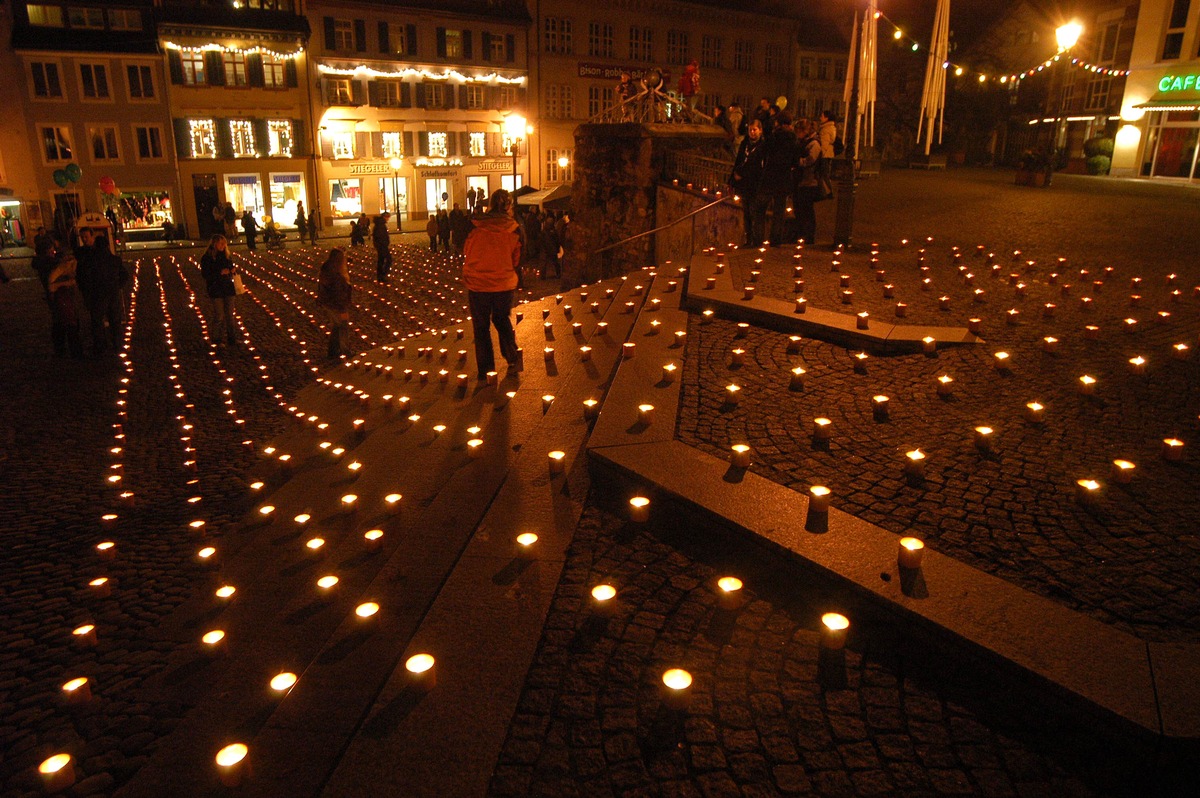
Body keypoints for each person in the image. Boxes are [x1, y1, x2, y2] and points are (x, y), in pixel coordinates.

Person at [463, 189, 522, 380]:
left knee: (481, 327)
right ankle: (512, 356)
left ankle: (486, 370)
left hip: (478, 284)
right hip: (503, 284)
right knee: (501, 318)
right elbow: (517, 258)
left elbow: (466, 250)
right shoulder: (514, 230)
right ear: (507, 207)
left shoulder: (476, 227)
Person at [75, 228, 127, 356]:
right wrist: (117, 286)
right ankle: (117, 344)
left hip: (97, 295)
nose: (84, 240)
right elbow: (125, 275)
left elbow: (83, 277)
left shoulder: (91, 261)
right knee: (114, 320)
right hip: (111, 294)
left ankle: (101, 346)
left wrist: (85, 292)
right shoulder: (114, 259)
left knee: (98, 321)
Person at [729, 119, 767, 247]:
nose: (752, 132)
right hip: (744, 185)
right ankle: (748, 238)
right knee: (746, 213)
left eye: (755, 130)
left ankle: (757, 240)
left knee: (755, 213)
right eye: (750, 130)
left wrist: (742, 173)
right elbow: (739, 161)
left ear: (760, 131)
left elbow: (755, 165)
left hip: (755, 184)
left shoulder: (763, 147)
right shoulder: (744, 144)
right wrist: (732, 180)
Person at [761, 112, 797, 246]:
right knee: (779, 209)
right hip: (784, 176)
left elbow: (765, 151)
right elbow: (794, 158)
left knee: (762, 205)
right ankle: (776, 239)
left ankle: (759, 237)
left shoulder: (774, 136)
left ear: (778, 123)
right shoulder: (792, 138)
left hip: (771, 174)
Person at [200, 234, 239, 347]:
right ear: (214, 244)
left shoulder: (226, 255)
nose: (224, 245)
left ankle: (232, 339)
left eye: (224, 243)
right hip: (216, 289)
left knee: (230, 315)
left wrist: (232, 270)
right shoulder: (207, 258)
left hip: (228, 288)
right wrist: (220, 273)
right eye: (221, 243)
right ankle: (216, 339)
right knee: (219, 315)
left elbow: (230, 266)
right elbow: (206, 274)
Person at [316, 247, 352, 360]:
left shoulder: (327, 270)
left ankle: (333, 350)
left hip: (330, 304)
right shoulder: (335, 275)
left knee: (337, 326)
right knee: (343, 326)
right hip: (338, 306)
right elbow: (338, 293)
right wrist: (342, 308)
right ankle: (344, 350)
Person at [47, 253, 84, 359]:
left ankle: (62, 350)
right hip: (63, 301)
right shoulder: (60, 270)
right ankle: (74, 352)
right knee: (69, 324)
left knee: (63, 324)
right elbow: (51, 285)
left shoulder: (70, 267)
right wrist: (66, 283)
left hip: (67, 301)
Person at [792, 119, 823, 246]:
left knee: (807, 210)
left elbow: (810, 160)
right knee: (799, 209)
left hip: (809, 181)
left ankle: (809, 235)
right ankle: (801, 234)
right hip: (801, 180)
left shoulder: (814, 143)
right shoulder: (803, 142)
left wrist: (798, 162)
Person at [817, 110, 838, 199]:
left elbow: (824, 144)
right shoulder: (831, 127)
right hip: (828, 154)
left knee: (823, 174)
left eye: (822, 116)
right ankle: (826, 192)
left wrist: (819, 154)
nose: (820, 118)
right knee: (824, 174)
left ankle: (827, 192)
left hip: (824, 155)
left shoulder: (825, 129)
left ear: (827, 118)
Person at [373, 212, 392, 281]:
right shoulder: (380, 225)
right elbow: (381, 236)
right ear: (385, 217)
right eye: (388, 217)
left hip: (380, 245)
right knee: (388, 259)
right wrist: (384, 243)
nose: (388, 219)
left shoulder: (379, 224)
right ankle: (382, 275)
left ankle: (380, 275)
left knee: (381, 260)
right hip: (382, 246)